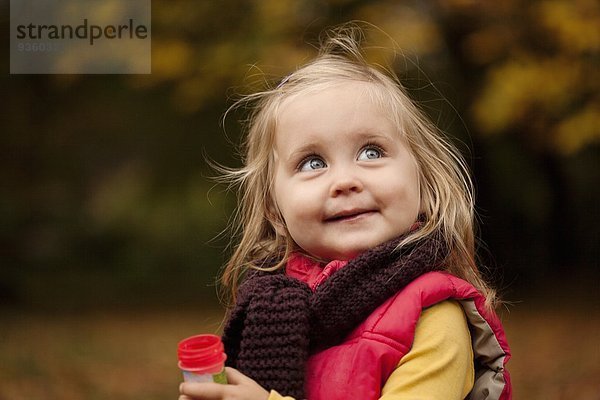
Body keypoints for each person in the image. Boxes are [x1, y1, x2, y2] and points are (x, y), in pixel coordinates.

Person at [179, 24, 512, 400]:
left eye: (371, 152)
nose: (344, 181)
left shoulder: (434, 321)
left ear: (425, 185)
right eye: (312, 162)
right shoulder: (269, 311)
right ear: (275, 210)